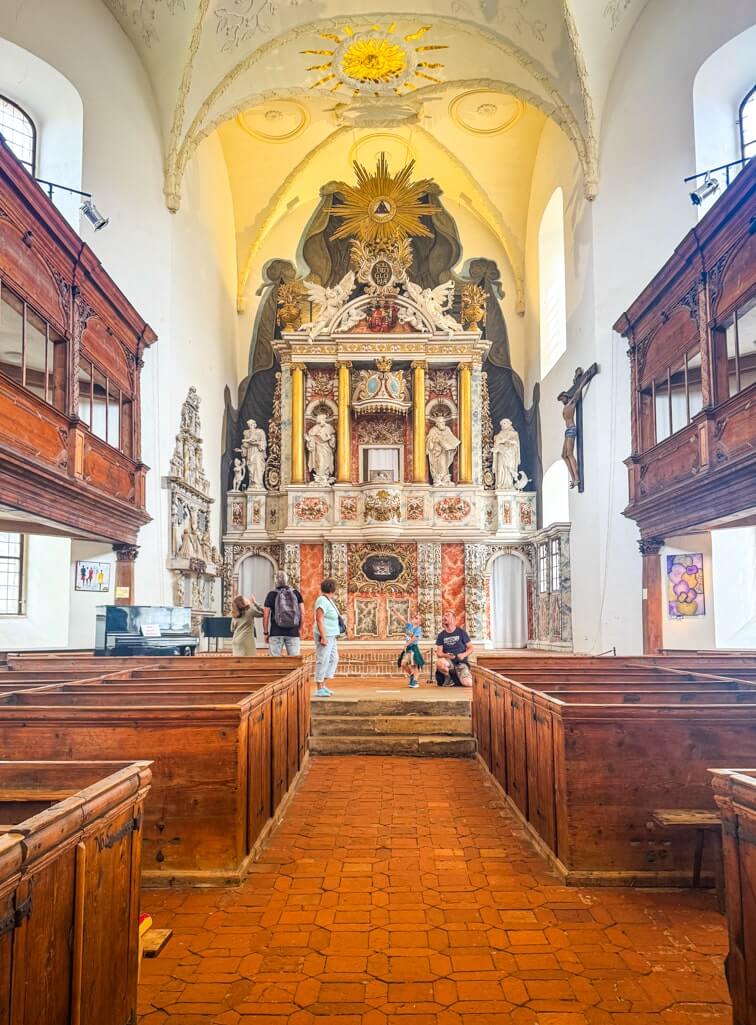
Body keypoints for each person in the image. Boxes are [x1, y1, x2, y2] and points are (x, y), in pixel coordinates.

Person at [263, 570, 304, 656]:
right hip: (293, 632)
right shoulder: (296, 593)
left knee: (274, 663)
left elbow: (265, 616)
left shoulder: (271, 594)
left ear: (275, 581)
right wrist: (299, 629)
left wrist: (266, 633)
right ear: (287, 580)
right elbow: (302, 613)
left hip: (276, 632)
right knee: (294, 662)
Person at [313, 577, 341, 697]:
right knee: (323, 659)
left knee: (333, 659)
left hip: (332, 635)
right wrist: (323, 637)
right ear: (332, 589)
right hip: (325, 635)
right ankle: (319, 687)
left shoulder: (328, 600)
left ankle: (323, 684)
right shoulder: (322, 600)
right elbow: (319, 619)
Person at [435, 610, 474, 687]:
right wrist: (447, 655)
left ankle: (461, 678)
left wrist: (463, 654)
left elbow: (471, 648)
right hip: (448, 663)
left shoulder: (461, 632)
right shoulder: (441, 635)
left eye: (447, 615)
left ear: (453, 619)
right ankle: (448, 677)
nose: (444, 617)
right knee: (440, 662)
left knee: (468, 684)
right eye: (444, 615)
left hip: (461, 663)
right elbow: (439, 653)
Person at [398, 618, 425, 689]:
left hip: (413, 648)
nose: (414, 618)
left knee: (414, 666)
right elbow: (402, 619)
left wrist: (406, 644)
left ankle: (415, 681)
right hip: (408, 648)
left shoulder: (418, 629)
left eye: (416, 618)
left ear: (419, 622)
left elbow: (414, 638)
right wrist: (394, 611)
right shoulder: (409, 626)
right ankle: (412, 675)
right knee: (403, 664)